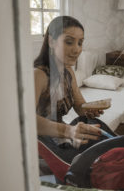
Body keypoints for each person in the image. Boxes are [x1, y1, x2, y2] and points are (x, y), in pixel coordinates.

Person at [34, 16, 115, 159]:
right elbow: (27, 120)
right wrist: (69, 131)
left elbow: (79, 105)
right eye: (69, 42)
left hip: (61, 136)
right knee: (92, 159)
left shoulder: (68, 72)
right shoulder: (38, 75)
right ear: (51, 41)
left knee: (94, 125)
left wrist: (89, 110)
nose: (77, 49)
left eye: (80, 43)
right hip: (42, 143)